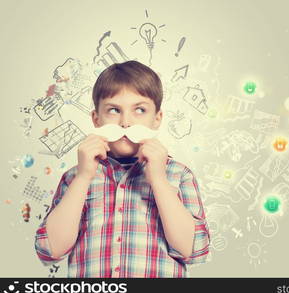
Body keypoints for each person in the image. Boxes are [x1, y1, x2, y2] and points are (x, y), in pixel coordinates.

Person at [34, 60, 210, 277]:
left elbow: (194, 251)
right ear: (96, 119)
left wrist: (158, 181)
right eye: (114, 110)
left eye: (140, 110)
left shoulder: (178, 175)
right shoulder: (74, 177)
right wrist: (83, 178)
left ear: (157, 119)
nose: (126, 122)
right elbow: (49, 251)